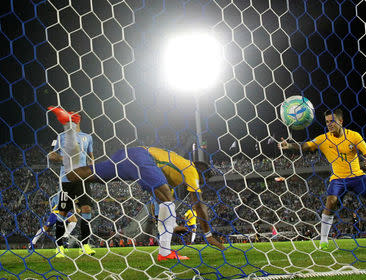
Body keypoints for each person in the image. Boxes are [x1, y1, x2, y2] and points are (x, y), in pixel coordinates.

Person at [48, 107, 225, 261]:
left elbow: (160, 205)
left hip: (126, 157)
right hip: (141, 158)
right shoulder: (191, 169)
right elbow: (198, 204)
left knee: (74, 175)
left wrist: (170, 226)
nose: (199, 185)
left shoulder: (169, 176)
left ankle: (70, 126)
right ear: (202, 174)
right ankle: (164, 253)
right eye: (202, 182)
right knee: (169, 199)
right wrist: (208, 235)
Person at [279, 109, 366, 249]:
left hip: (357, 176)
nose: (329, 124)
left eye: (332, 121)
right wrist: (289, 145)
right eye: (327, 122)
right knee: (331, 202)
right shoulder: (323, 139)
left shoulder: (353, 136)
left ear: (340, 121)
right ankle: (324, 241)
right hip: (338, 179)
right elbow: (305, 146)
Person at [48, 106, 96, 256]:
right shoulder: (61, 136)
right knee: (62, 211)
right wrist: (65, 158)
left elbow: (91, 157)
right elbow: (51, 155)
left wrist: (92, 168)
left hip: (82, 178)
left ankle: (86, 245)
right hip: (66, 179)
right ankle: (60, 247)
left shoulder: (87, 137)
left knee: (87, 209)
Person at [28, 194, 78, 258]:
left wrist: (76, 208)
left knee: (74, 220)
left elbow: (71, 203)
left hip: (65, 212)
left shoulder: (67, 195)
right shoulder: (56, 197)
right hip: (56, 213)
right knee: (45, 228)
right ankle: (32, 243)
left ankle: (65, 237)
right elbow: (53, 207)